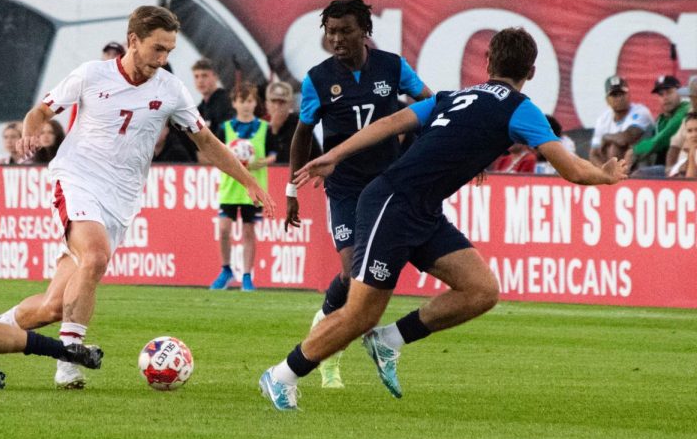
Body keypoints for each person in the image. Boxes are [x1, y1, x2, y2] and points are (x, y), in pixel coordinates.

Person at [260, 27, 629, 411]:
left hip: (420, 209)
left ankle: (390, 341)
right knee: (359, 314)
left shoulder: (454, 96)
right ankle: (282, 374)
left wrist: (337, 153)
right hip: (392, 203)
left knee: (480, 290)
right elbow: (571, 169)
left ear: (487, 62)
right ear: (532, 72)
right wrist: (605, 175)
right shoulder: (520, 108)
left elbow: (389, 123)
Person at [0, 5, 276, 388]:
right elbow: (40, 111)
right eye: (157, 49)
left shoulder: (170, 89)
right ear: (133, 41)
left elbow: (207, 142)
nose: (162, 59)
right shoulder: (92, 75)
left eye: (169, 51)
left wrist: (248, 181)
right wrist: (30, 131)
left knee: (52, 307)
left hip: (121, 200)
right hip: (76, 180)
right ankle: (68, 360)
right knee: (95, 254)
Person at [285, 0, 431, 389]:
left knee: (377, 278)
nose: (336, 39)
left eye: (345, 31)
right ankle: (324, 352)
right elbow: (301, 136)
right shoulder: (318, 79)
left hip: (388, 187)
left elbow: (431, 104)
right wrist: (292, 189)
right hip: (346, 189)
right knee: (352, 277)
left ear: (364, 31)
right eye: (330, 32)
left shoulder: (393, 67)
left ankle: (336, 342)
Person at [210, 83, 278, 292]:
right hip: (230, 187)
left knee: (249, 231)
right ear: (234, 103)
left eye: (250, 101)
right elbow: (214, 153)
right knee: (223, 230)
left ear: (255, 103)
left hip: (254, 189)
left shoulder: (265, 128)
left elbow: (274, 154)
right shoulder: (226, 128)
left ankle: (247, 276)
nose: (246, 105)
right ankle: (226, 270)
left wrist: (263, 161)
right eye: (242, 101)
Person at [589, 75, 652, 166]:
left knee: (615, 147)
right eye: (614, 95)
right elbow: (593, 154)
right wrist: (604, 172)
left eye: (622, 93)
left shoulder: (640, 111)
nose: (619, 98)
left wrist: (605, 137)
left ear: (629, 95)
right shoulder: (603, 119)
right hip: (612, 167)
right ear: (607, 100)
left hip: (641, 163)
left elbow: (625, 139)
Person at [631, 74, 685, 176]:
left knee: (639, 175)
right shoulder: (660, 120)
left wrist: (634, 151)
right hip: (664, 167)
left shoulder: (686, 109)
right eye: (661, 94)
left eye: (669, 92)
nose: (665, 98)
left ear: (680, 93)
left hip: (681, 168)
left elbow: (663, 137)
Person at [192, 58, 234, 139]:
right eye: (196, 77)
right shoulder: (200, 109)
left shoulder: (226, 102)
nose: (200, 81)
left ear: (216, 77)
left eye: (204, 76)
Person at [664, 76, 697, 171]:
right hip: (678, 170)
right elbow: (675, 144)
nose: (690, 100)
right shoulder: (691, 113)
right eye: (690, 97)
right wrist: (669, 168)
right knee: (640, 173)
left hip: (690, 172)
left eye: (693, 97)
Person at [265, 80, 300, 164]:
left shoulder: (299, 126)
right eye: (273, 101)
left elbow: (292, 157)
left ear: (290, 104)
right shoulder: (261, 128)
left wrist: (275, 129)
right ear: (267, 104)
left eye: (282, 102)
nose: (277, 107)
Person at [667, 111, 697, 178]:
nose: (694, 135)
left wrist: (691, 155)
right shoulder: (683, 160)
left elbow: (690, 181)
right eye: (690, 131)